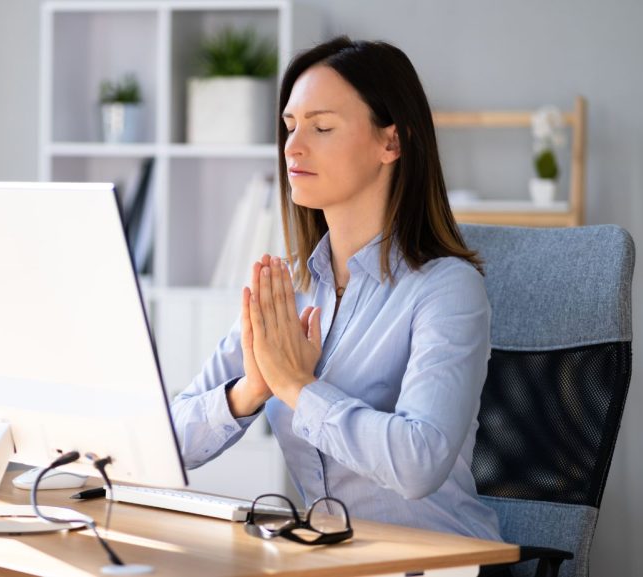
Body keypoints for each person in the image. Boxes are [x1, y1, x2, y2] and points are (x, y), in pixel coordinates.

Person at [170, 35, 501, 541]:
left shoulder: (447, 289)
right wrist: (251, 390)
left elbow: (420, 462)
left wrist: (298, 389)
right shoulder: (286, 285)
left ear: (391, 142)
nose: (293, 147)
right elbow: (168, 438)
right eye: (289, 127)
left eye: (322, 127)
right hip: (329, 558)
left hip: (436, 566)